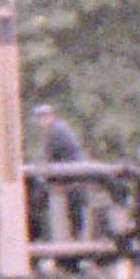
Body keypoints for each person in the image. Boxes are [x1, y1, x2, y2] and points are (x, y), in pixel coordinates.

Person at [32, 103, 88, 242]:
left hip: (73, 177)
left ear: (50, 116)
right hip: (75, 177)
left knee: (40, 197)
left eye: (43, 117)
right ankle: (76, 244)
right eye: (39, 118)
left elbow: (47, 157)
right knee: (75, 215)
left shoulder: (54, 131)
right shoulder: (60, 127)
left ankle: (44, 238)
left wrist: (40, 173)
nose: (41, 121)